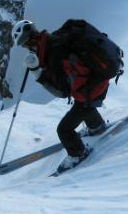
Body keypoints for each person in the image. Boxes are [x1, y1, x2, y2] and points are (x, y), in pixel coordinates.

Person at [12, 19, 110, 171]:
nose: (26, 48)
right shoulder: (53, 41)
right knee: (83, 106)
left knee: (64, 130)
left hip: (91, 89)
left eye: (24, 45)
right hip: (97, 80)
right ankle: (96, 127)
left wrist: (37, 72)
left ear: (29, 41)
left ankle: (78, 154)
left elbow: (63, 91)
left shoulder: (53, 53)